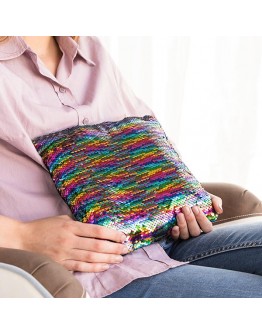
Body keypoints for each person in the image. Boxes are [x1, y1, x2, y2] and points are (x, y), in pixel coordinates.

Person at [1, 36, 262, 298]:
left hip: (166, 241)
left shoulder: (88, 46)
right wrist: (22, 237)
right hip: (89, 274)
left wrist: (180, 199)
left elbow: (143, 139)